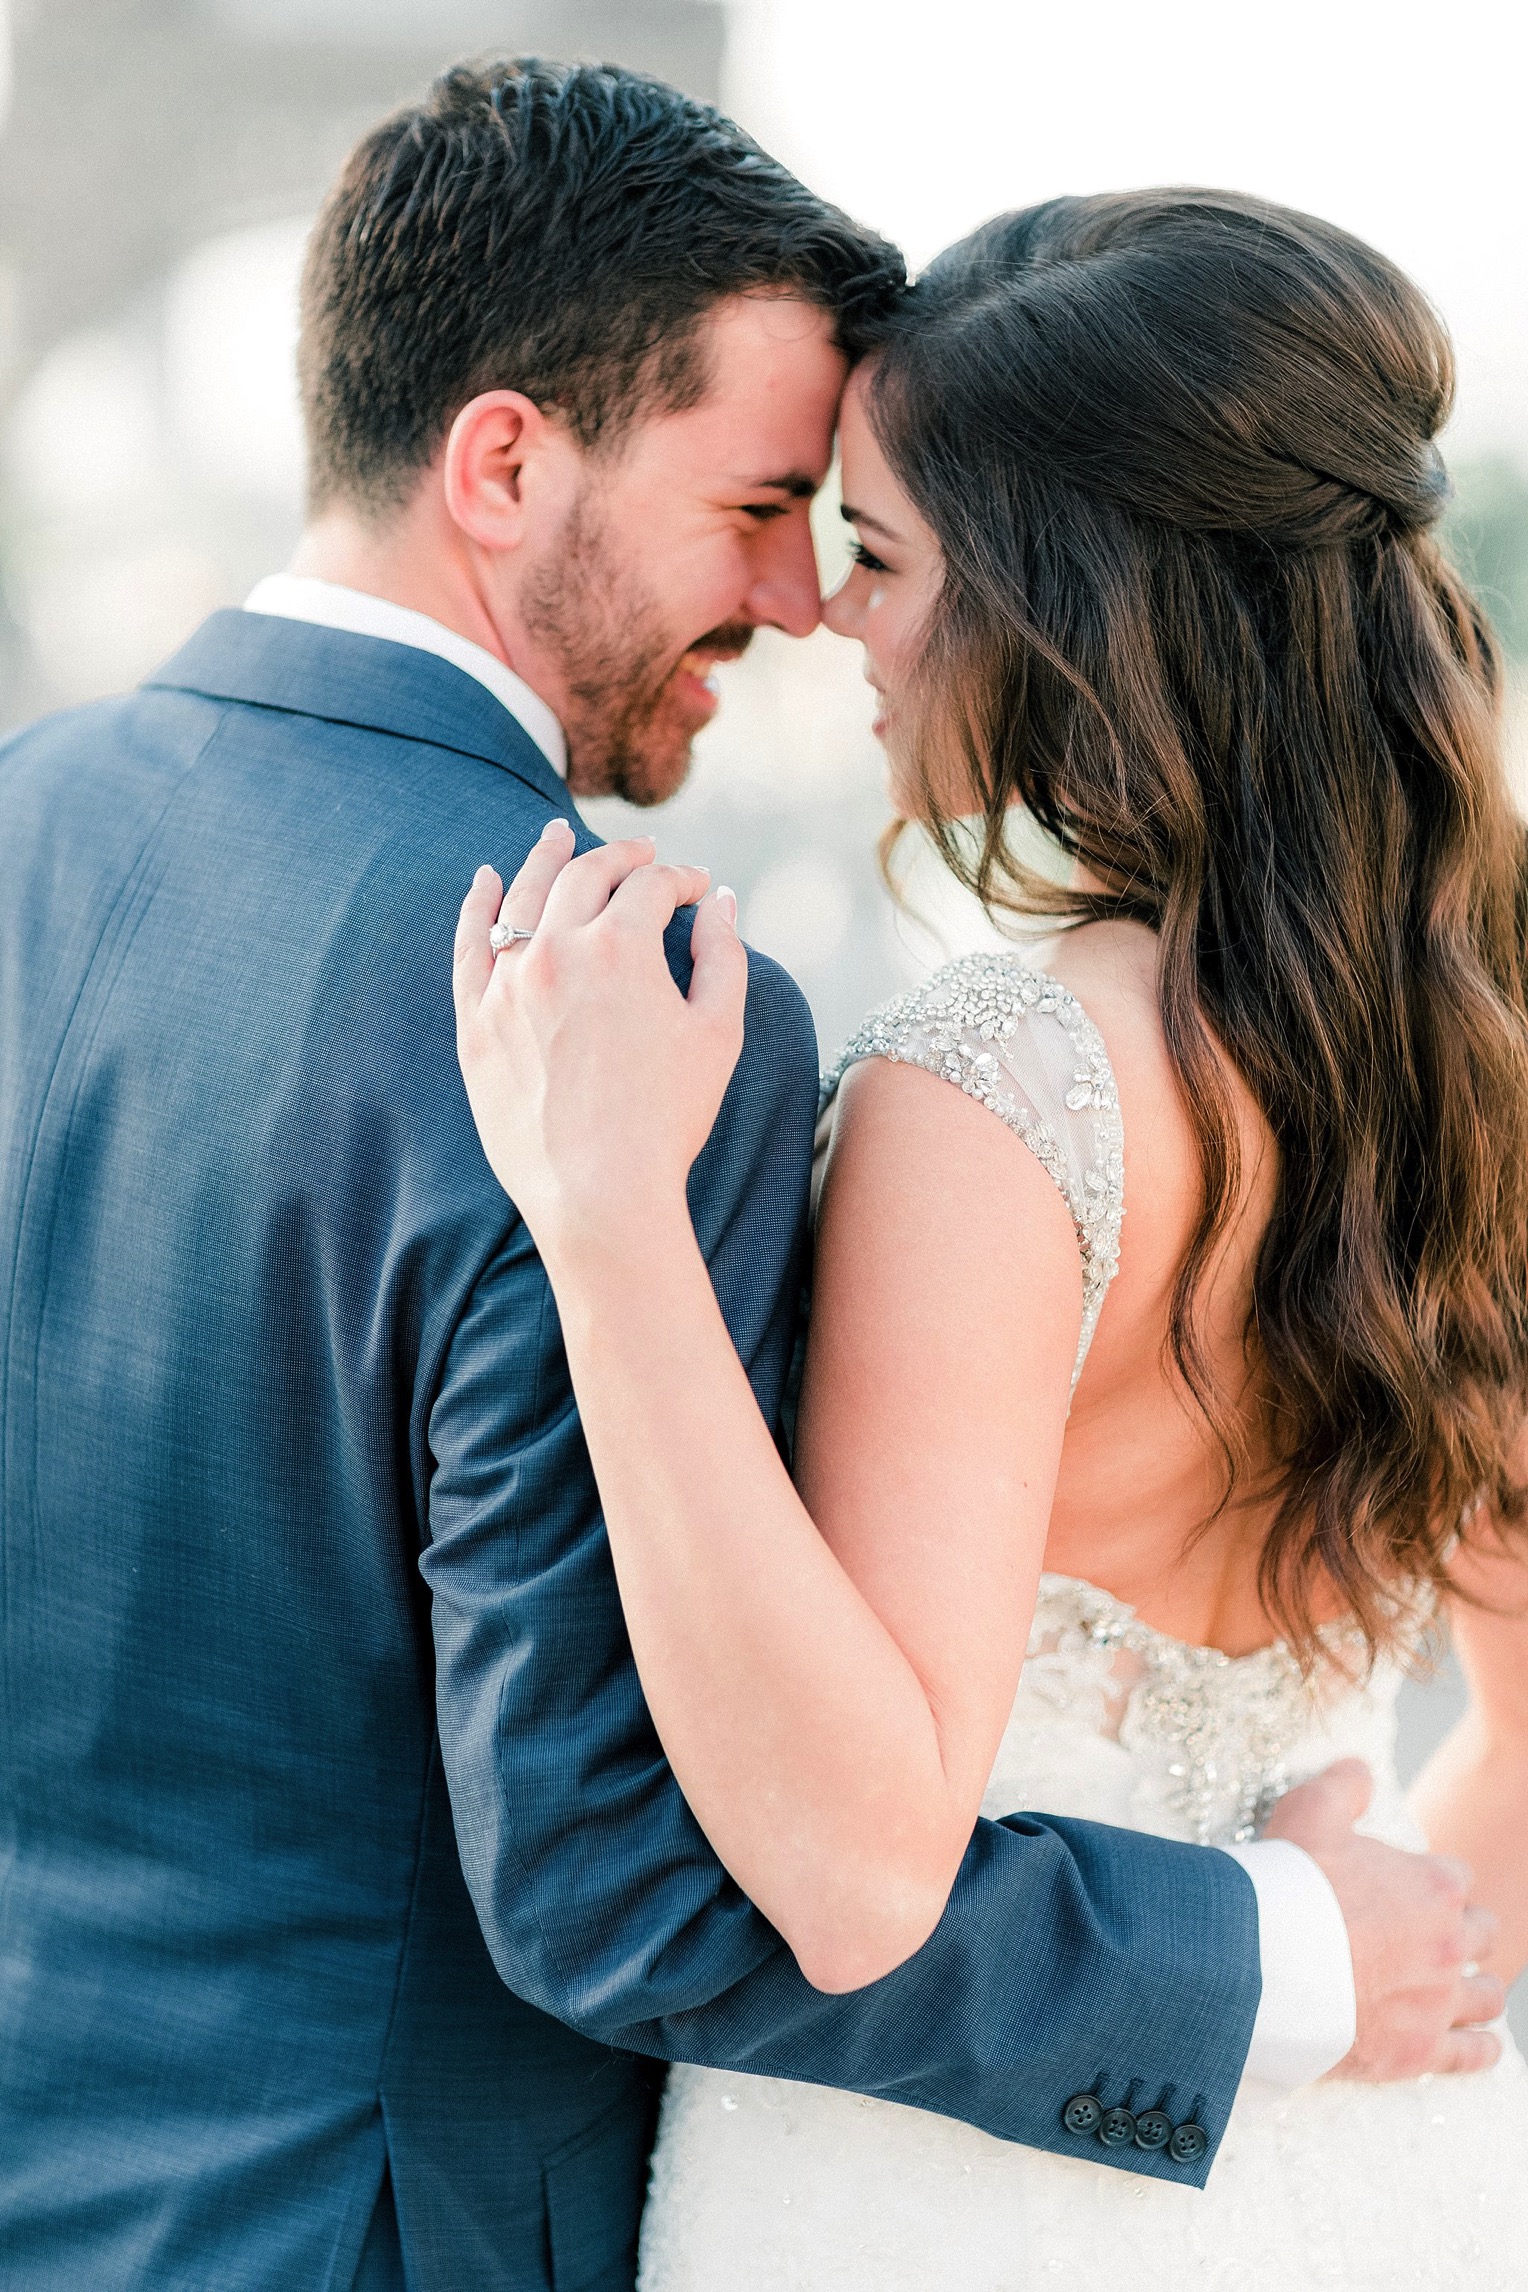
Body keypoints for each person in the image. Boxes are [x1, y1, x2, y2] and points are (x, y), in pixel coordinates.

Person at [0, 60, 1494, 2288]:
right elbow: (632, 1872)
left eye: (863, 542)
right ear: (503, 462)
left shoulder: (28, 822)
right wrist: (1283, 1965)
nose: (805, 606)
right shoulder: (631, 998)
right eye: (767, 507)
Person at [452, 189, 1528, 2288]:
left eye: (884, 554)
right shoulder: (1461, 1056)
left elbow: (857, 1872)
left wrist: (608, 1233)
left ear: (1060, 606)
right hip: (1359, 2195)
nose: (831, 616)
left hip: (937, 2203)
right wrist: (1338, 1958)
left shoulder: (1000, 1085)